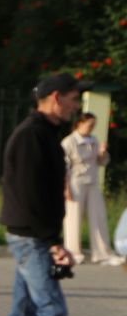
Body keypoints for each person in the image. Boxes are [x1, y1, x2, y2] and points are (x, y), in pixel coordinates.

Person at [0, 73, 81, 316]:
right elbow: (33, 195)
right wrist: (52, 243)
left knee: (26, 312)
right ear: (56, 97)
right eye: (74, 99)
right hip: (31, 237)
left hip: (32, 234)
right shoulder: (33, 135)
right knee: (52, 311)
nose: (77, 106)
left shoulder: (42, 133)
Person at [62, 111, 120, 265]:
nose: (92, 127)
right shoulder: (69, 142)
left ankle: (102, 253)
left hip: (92, 181)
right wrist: (65, 187)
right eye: (90, 124)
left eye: (94, 124)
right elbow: (64, 166)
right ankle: (73, 252)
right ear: (79, 123)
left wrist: (102, 152)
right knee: (73, 217)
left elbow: (101, 162)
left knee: (98, 216)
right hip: (75, 182)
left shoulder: (94, 140)